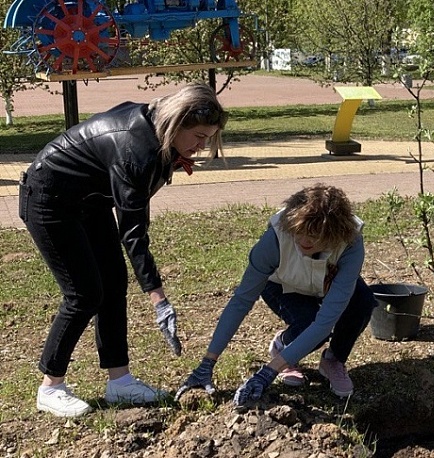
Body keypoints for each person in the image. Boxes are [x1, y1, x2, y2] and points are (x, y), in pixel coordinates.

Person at [19, 83, 228, 417]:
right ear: (176, 124)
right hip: (49, 200)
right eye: (199, 136)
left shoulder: (157, 129)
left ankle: (120, 381)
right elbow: (133, 232)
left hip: (89, 201)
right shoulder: (137, 149)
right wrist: (159, 300)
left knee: (114, 282)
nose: (201, 146)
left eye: (208, 138)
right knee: (84, 294)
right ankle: (50, 386)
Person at [175, 183, 378, 406]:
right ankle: (283, 348)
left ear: (333, 233)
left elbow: (326, 321)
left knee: (362, 302)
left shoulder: (350, 243)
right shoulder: (275, 238)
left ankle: (334, 360)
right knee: (307, 327)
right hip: (283, 285)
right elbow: (241, 301)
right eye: (299, 231)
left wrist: (267, 373)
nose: (303, 240)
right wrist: (208, 363)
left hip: (325, 283)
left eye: (314, 235)